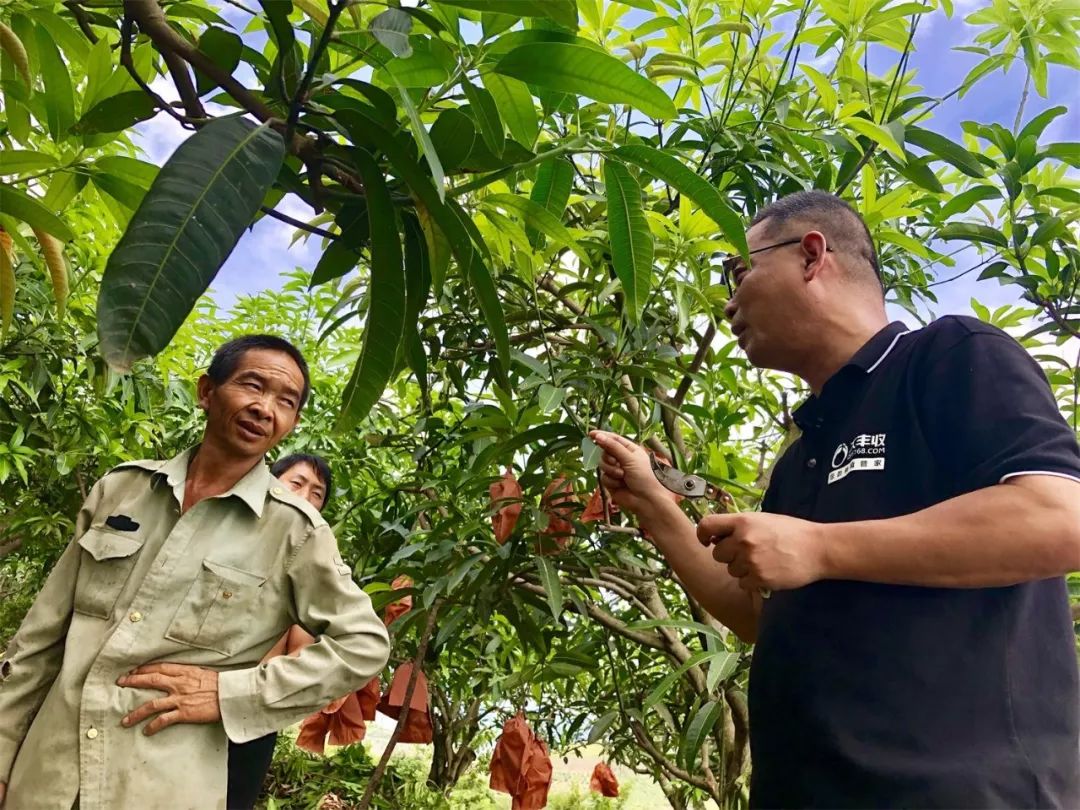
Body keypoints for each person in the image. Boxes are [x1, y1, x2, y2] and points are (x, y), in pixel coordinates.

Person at [591, 190, 1080, 808]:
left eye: (739, 272)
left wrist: (819, 547)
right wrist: (653, 505)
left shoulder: (950, 355)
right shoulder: (802, 456)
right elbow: (759, 614)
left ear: (811, 255)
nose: (729, 302)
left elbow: (1058, 517)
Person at [0, 335, 390, 810]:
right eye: (252, 385)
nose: (264, 408)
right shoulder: (121, 489)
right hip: (46, 776)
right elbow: (40, 639)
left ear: (292, 423)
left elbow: (363, 644)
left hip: (158, 789)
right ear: (207, 391)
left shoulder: (295, 532)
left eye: (285, 401)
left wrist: (229, 694)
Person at [226, 452, 331, 810]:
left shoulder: (305, 571)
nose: (305, 497)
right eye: (296, 483)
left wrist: (257, 685)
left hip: (250, 716)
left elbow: (300, 651)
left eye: (317, 493)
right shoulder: (227, 534)